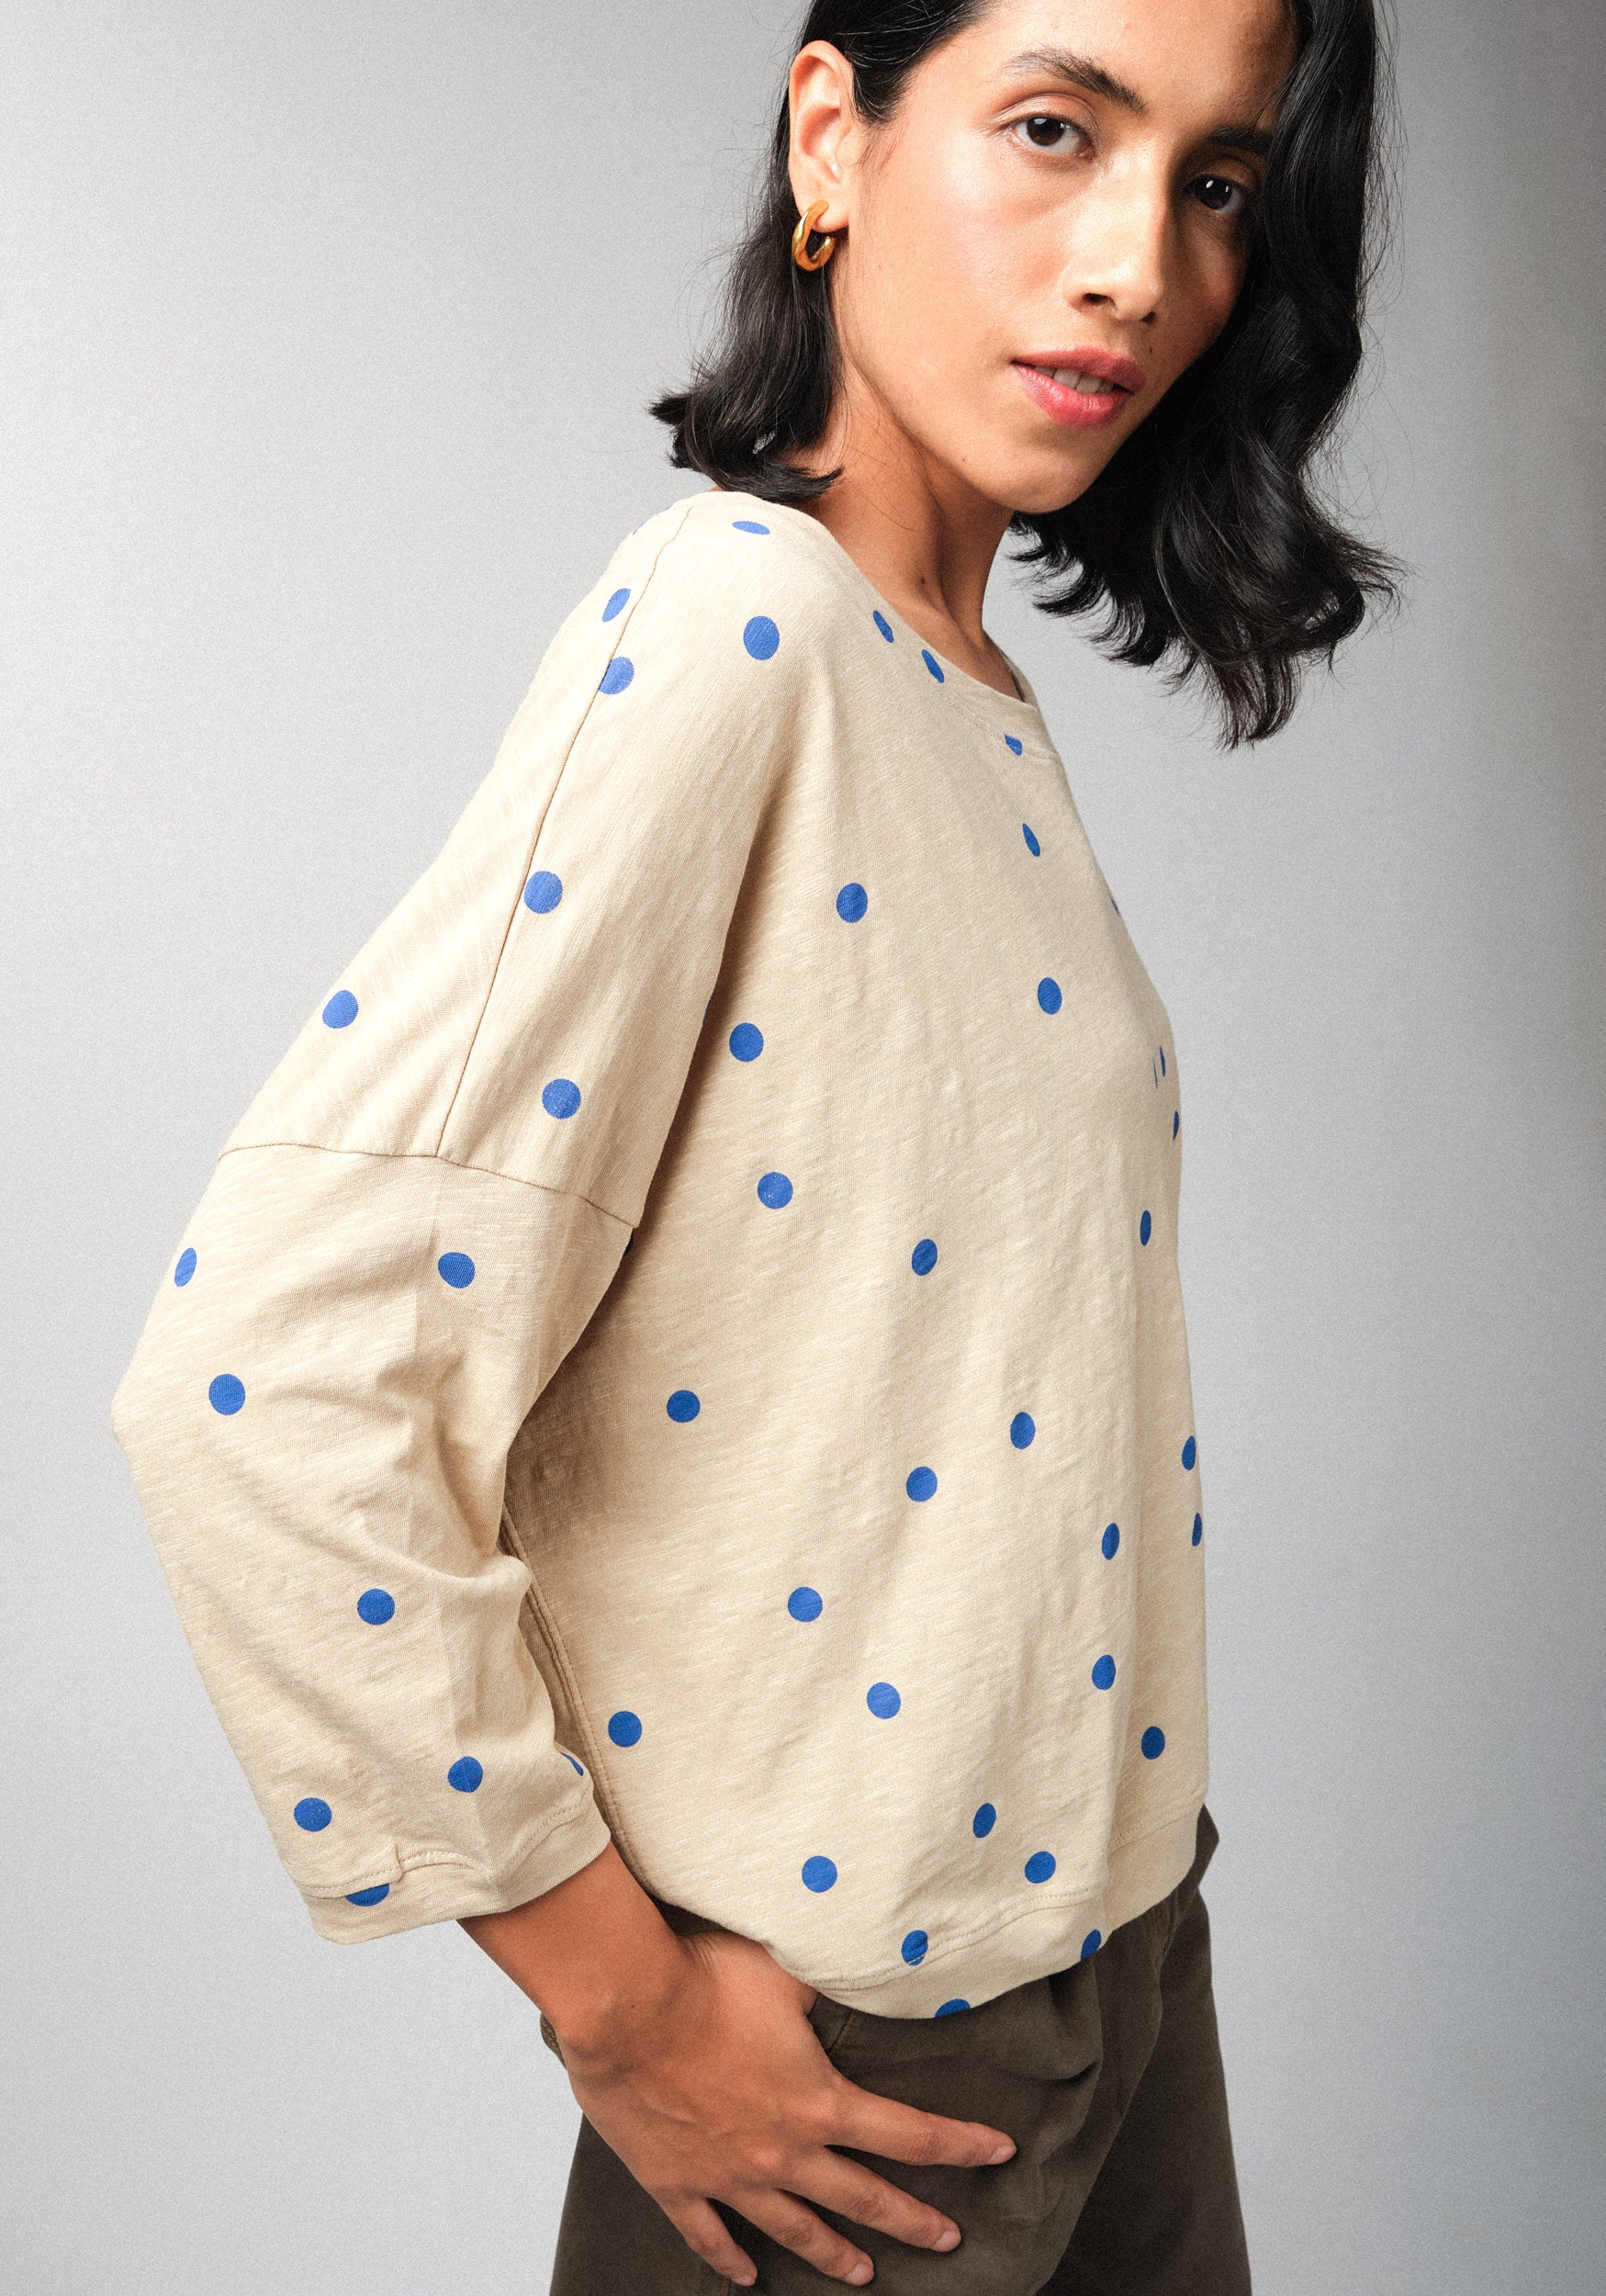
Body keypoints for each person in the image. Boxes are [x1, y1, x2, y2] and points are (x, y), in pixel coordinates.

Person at [111, 0, 1394, 2288]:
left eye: (1214, 183)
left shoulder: (951, 683)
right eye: (1054, 127)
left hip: (1116, 1952)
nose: (1138, 263)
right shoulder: (741, 623)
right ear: (833, 136)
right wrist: (624, 2010)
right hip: (870, 2067)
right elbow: (266, 1389)